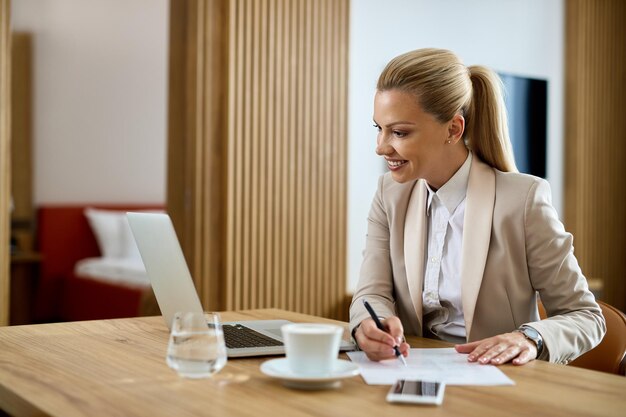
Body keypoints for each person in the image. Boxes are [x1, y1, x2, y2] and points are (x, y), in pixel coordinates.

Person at [349, 48, 606, 366]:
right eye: (379, 128)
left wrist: (529, 338)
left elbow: (585, 315)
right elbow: (370, 294)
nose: (381, 147)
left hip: (498, 385)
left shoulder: (523, 200)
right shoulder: (390, 194)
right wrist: (367, 325)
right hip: (410, 373)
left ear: (453, 130)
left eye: (399, 132)